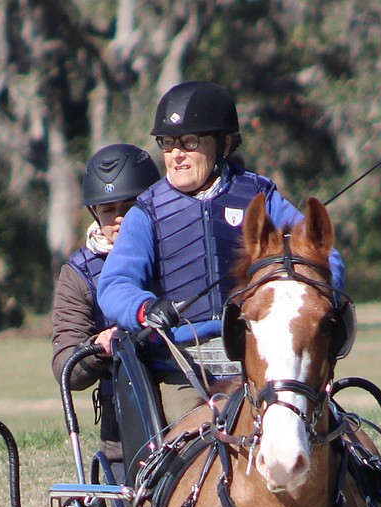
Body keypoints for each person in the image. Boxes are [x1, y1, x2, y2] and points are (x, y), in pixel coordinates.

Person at [96, 81, 345, 425]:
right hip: (182, 367)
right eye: (167, 144)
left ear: (224, 143)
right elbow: (114, 284)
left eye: (189, 142)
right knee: (200, 434)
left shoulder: (260, 196)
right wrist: (146, 308)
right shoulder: (147, 211)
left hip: (257, 355)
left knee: (322, 425)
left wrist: (305, 293)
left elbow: (325, 258)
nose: (176, 155)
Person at [51, 143, 160, 473]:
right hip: (122, 434)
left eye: (131, 205)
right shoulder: (79, 274)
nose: (120, 218)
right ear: (94, 213)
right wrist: (98, 348)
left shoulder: (176, 252)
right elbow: (64, 363)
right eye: (109, 208)